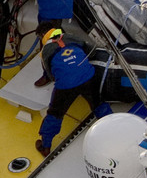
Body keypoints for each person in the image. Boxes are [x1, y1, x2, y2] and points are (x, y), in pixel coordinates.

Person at [35, 27, 100, 155]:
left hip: (65, 85)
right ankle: (113, 128)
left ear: (43, 36)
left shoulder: (45, 51)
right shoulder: (71, 36)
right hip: (87, 76)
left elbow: (50, 75)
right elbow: (92, 51)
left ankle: (45, 146)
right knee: (98, 104)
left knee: (55, 114)